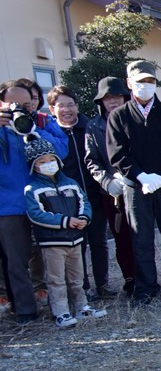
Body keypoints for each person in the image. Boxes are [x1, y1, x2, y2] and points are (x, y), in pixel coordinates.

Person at [106, 60, 161, 304]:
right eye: (140, 82)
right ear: (129, 84)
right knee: (141, 240)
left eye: (149, 82)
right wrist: (141, 176)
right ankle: (146, 288)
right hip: (136, 187)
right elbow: (117, 153)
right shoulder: (119, 115)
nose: (145, 86)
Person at [1, 80, 69, 325]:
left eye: (26, 102)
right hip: (9, 204)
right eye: (14, 103)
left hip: (45, 199)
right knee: (16, 260)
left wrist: (34, 129)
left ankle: (60, 305)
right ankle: (25, 310)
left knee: (53, 255)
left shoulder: (41, 122)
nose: (20, 108)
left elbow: (62, 150)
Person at [23, 137, 106, 327]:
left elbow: (84, 202)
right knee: (56, 280)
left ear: (58, 161)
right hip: (52, 243)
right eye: (41, 162)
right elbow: (36, 214)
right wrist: (65, 221)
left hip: (75, 240)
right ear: (34, 166)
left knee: (77, 277)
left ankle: (82, 306)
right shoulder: (32, 189)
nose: (48, 165)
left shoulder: (71, 183)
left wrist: (84, 218)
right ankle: (61, 312)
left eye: (51, 160)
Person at [47, 85, 116, 300]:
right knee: (77, 245)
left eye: (70, 105)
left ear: (77, 106)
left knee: (99, 242)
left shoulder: (90, 127)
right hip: (66, 202)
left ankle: (102, 284)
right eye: (61, 106)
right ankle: (82, 287)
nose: (67, 110)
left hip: (95, 196)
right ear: (52, 109)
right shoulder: (50, 134)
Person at [84, 77, 136, 296]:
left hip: (137, 186)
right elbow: (91, 160)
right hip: (111, 193)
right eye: (107, 98)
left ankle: (147, 278)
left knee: (141, 236)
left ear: (124, 97)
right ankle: (131, 280)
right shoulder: (93, 126)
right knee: (121, 236)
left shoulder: (137, 119)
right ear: (101, 101)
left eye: (116, 96)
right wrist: (107, 181)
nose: (112, 101)